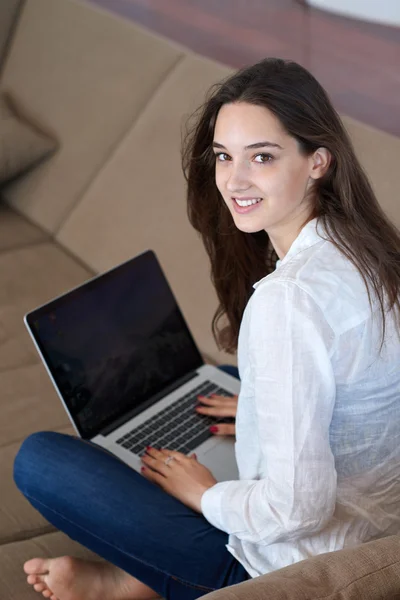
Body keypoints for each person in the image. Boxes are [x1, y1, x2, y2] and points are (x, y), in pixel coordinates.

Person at [13, 57, 400, 600]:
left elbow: (298, 508)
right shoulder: (369, 250)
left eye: (261, 157)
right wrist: (260, 409)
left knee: (40, 462)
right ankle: (134, 577)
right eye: (224, 156)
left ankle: (136, 583)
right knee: (220, 381)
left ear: (318, 161)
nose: (234, 181)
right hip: (376, 524)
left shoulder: (287, 301)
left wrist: (206, 496)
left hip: (287, 569)